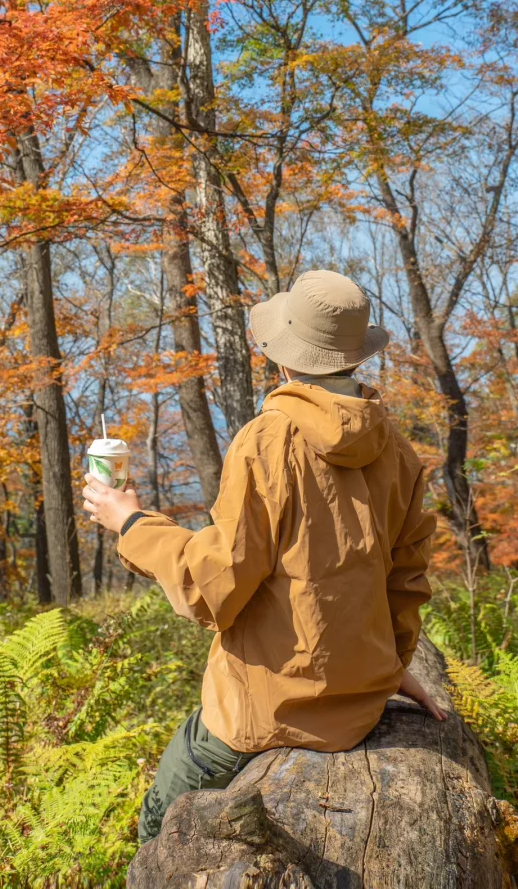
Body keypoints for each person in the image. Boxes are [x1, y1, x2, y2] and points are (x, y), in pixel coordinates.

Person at [82, 268, 446, 845]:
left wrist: (129, 522)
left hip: (266, 710)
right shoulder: (398, 451)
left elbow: (212, 585)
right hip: (361, 706)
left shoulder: (267, 440)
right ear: (355, 358)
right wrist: (389, 666)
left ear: (284, 361)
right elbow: (405, 583)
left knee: (158, 825)